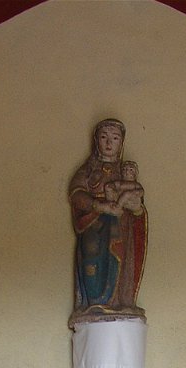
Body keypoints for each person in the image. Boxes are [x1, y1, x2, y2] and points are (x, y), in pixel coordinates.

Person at [68, 119, 147, 327]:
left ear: (121, 142)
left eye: (115, 138)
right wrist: (99, 206)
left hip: (121, 227)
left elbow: (138, 204)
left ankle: (120, 301)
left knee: (120, 259)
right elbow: (76, 194)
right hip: (94, 225)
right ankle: (94, 303)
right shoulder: (88, 170)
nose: (109, 143)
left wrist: (136, 208)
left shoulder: (126, 172)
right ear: (96, 141)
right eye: (104, 137)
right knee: (93, 260)